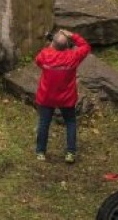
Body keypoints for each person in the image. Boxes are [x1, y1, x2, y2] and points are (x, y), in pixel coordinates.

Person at [33, 29, 91, 163]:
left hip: (47, 96)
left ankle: (41, 152)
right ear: (67, 45)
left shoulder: (45, 54)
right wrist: (72, 35)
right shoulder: (73, 56)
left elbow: (38, 61)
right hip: (67, 97)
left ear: (53, 43)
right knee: (70, 122)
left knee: (44, 123)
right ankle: (70, 153)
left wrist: (51, 46)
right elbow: (86, 47)